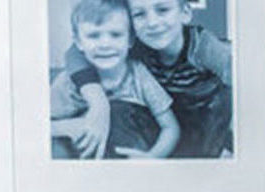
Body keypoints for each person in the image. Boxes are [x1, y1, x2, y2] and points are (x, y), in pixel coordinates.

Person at [62, 0, 232, 159]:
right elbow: (75, 53)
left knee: (225, 98)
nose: (152, 23)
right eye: (139, 15)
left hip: (203, 124)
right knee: (118, 110)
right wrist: (98, 102)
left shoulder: (205, 46)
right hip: (162, 122)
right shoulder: (135, 43)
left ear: (185, 12)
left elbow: (245, 82)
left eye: (163, 10)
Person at [50, 0, 178, 160]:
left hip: (130, 153)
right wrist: (70, 126)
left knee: (120, 111)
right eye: (94, 36)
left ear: (131, 39)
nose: (105, 44)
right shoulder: (67, 82)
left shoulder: (139, 75)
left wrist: (152, 158)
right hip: (82, 162)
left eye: (115, 35)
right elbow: (34, 126)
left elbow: (170, 127)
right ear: (78, 43)